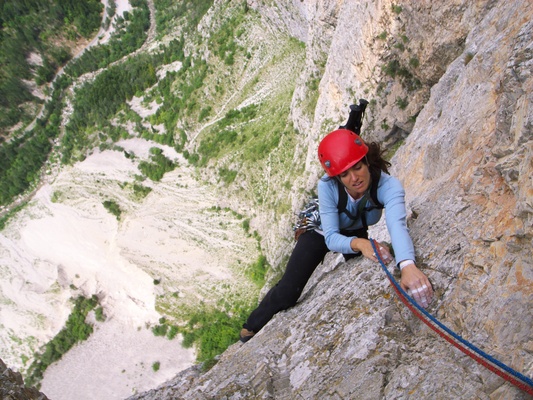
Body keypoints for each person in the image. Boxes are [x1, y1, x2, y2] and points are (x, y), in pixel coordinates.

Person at [239, 129, 433, 343]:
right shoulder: (327, 186)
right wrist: (361, 243)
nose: (354, 178)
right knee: (288, 291)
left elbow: (396, 225)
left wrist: (407, 265)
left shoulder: (388, 186)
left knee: (366, 268)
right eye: (344, 174)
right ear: (337, 177)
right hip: (320, 230)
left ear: (367, 161)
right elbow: (330, 237)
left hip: (354, 227)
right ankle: (252, 325)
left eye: (358, 167)